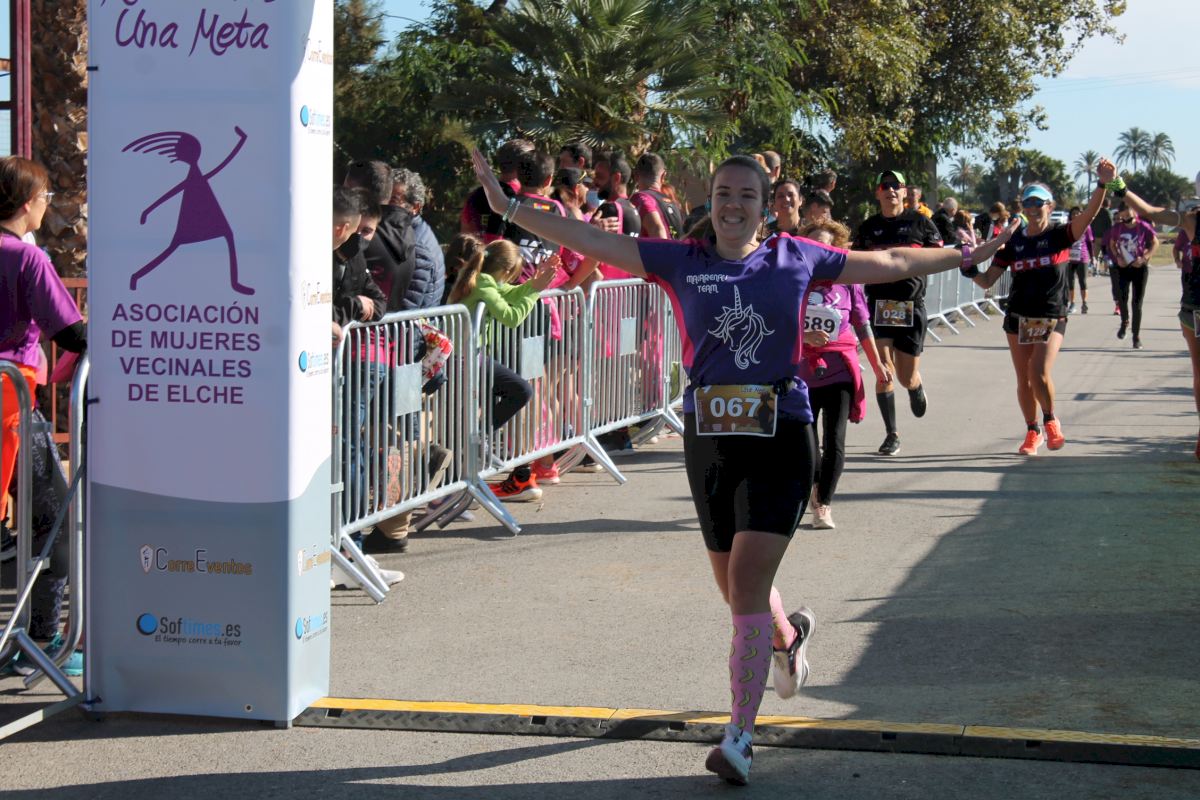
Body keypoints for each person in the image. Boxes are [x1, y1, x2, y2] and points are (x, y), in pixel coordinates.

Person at [469, 147, 1017, 785]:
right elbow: (588, 238)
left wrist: (966, 255)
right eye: (724, 194)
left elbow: (893, 262)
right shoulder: (680, 260)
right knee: (737, 591)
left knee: (749, 584)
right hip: (710, 442)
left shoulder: (796, 256)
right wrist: (509, 207)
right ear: (712, 202)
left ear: (765, 204)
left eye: (747, 195)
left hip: (782, 434)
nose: (734, 205)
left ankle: (740, 738)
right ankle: (787, 638)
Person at [0, 156, 87, 673]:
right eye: (47, 198)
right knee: (53, 522)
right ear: (28, 202)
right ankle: (43, 639)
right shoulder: (27, 259)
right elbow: (71, 333)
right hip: (12, 406)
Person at [965, 160, 1117, 456]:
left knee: (1039, 371)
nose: (1033, 208)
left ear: (1050, 206)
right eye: (1028, 203)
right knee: (1024, 379)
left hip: (1051, 315)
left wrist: (1102, 184)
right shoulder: (1014, 242)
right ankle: (1032, 430)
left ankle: (1050, 420)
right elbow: (987, 281)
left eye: (1038, 203)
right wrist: (969, 269)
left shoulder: (1060, 235)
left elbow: (1089, 214)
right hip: (1018, 315)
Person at [448, 238, 560, 501]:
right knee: (520, 391)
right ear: (507, 270)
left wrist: (534, 284)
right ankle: (478, 441)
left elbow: (510, 293)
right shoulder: (483, 283)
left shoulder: (484, 279)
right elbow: (512, 317)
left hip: (473, 356)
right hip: (465, 358)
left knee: (511, 394)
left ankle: (478, 442)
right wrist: (534, 291)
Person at [796, 219, 890, 530]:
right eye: (813, 246)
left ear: (835, 250)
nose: (820, 253)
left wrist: (878, 364)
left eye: (826, 247)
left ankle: (823, 504)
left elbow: (862, 324)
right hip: (802, 376)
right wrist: (805, 337)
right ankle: (815, 486)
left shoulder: (849, 283)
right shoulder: (795, 280)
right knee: (807, 446)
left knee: (834, 441)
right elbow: (778, 324)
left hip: (840, 372)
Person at [853, 170, 943, 457]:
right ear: (877, 193)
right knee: (883, 371)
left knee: (905, 377)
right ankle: (892, 434)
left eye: (896, 185)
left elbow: (939, 254)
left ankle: (916, 386)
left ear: (904, 192)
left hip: (911, 306)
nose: (890, 190)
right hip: (879, 305)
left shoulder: (921, 223)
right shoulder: (869, 228)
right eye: (885, 186)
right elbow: (855, 261)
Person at [1117, 179, 1199, 458]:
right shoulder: (1192, 220)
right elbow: (1151, 212)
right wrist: (1120, 188)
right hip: (1195, 308)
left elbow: (1150, 213)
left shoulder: (1192, 221)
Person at [1103, 204, 1157, 349]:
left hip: (1139, 268)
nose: (1126, 218)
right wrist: (1118, 257)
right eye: (1123, 215)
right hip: (1123, 267)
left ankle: (1136, 336)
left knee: (1137, 303)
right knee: (1122, 298)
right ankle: (1124, 321)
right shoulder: (1117, 228)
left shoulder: (1143, 226)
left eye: (1128, 214)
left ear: (1134, 212)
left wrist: (1144, 258)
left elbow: (1155, 243)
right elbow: (1112, 244)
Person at [630, 152, 684, 239]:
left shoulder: (641, 199)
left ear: (636, 175)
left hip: (660, 248)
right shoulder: (673, 203)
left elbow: (657, 229)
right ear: (663, 176)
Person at [1065, 206, 1095, 314]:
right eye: (1073, 213)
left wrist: (1092, 257)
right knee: (1070, 282)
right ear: (1070, 215)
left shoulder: (1086, 227)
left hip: (1083, 257)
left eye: (1078, 213)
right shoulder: (1067, 227)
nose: (1075, 215)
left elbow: (1090, 243)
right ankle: (1072, 303)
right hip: (1069, 258)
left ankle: (1084, 303)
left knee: (1083, 281)